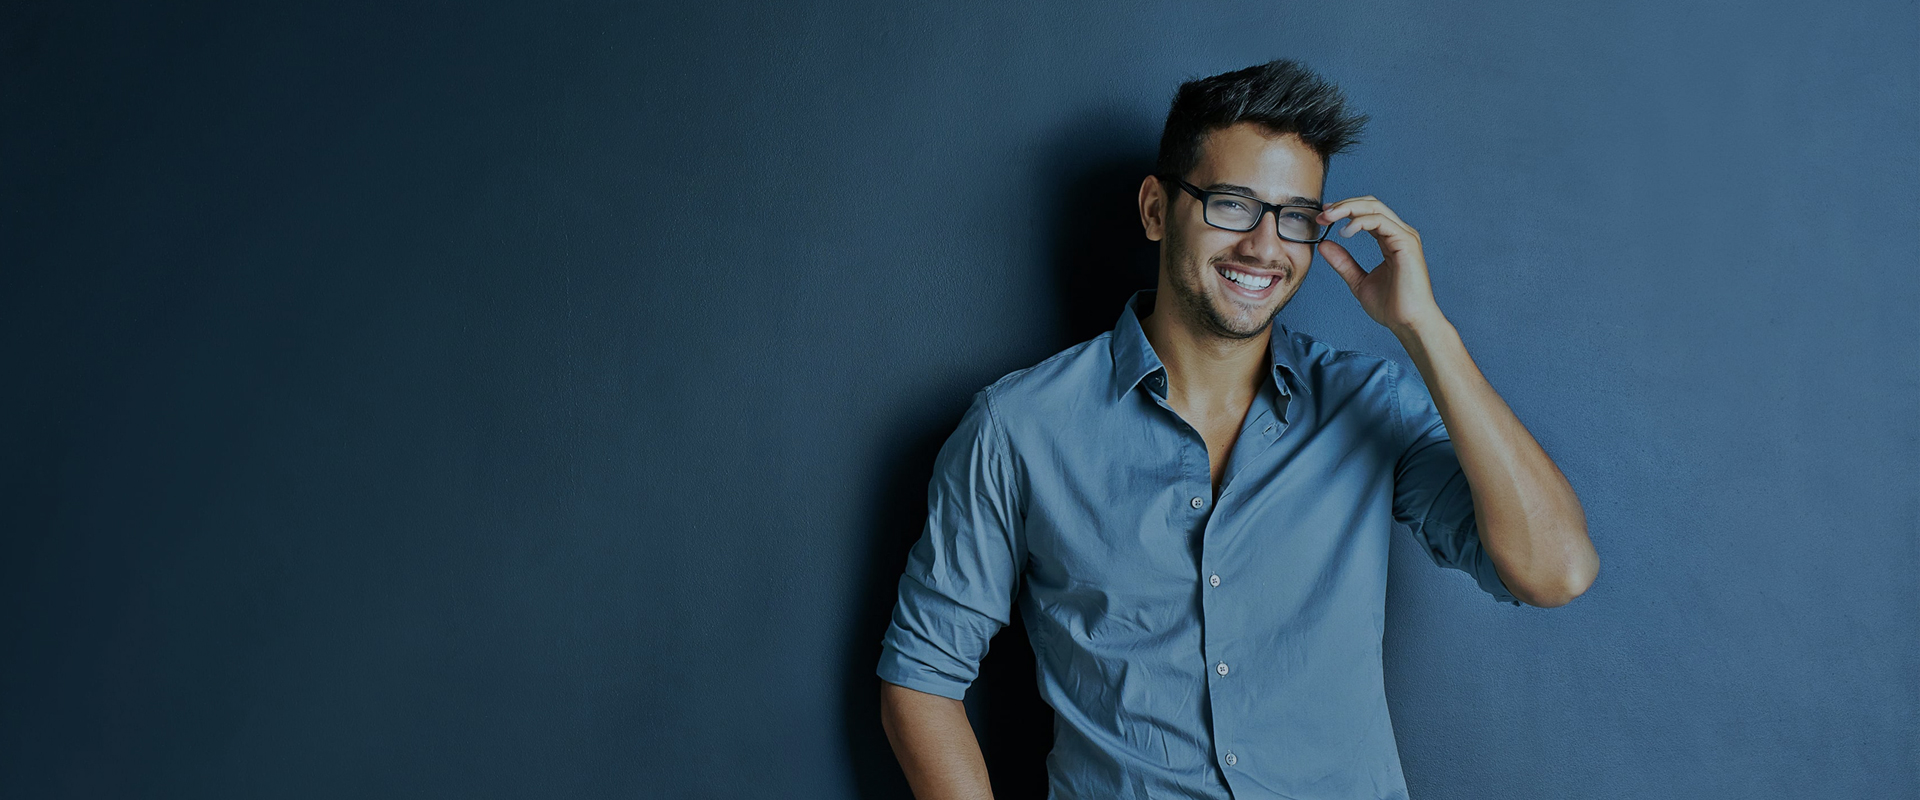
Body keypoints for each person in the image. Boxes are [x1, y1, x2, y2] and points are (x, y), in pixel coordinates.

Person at [875, 58, 1598, 800]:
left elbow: (1556, 571)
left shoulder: (1370, 404)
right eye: (1231, 204)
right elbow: (921, 678)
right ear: (1157, 210)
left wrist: (1425, 331)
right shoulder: (1019, 428)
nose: (1264, 245)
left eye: (1296, 218)